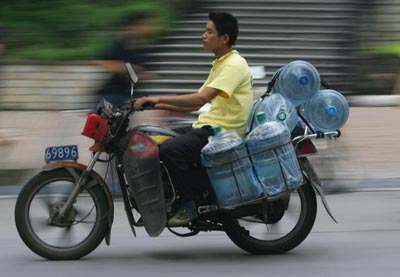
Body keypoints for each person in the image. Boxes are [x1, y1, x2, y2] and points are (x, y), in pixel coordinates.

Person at [134, 12, 254, 226]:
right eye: (204, 30)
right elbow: (197, 104)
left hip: (222, 131)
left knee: (170, 150)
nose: (203, 35)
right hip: (210, 125)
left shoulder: (234, 64)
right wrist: (154, 104)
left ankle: (192, 202)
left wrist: (158, 97)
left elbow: (202, 97)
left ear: (224, 38)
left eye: (209, 31)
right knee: (155, 140)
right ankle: (166, 200)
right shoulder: (221, 63)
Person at [92, 13, 159, 106]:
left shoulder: (148, 49)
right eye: (137, 26)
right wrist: (131, 69)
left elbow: (148, 74)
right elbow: (101, 63)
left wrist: (124, 68)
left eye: (145, 25)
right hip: (112, 93)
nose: (143, 29)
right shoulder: (120, 44)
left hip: (132, 96)